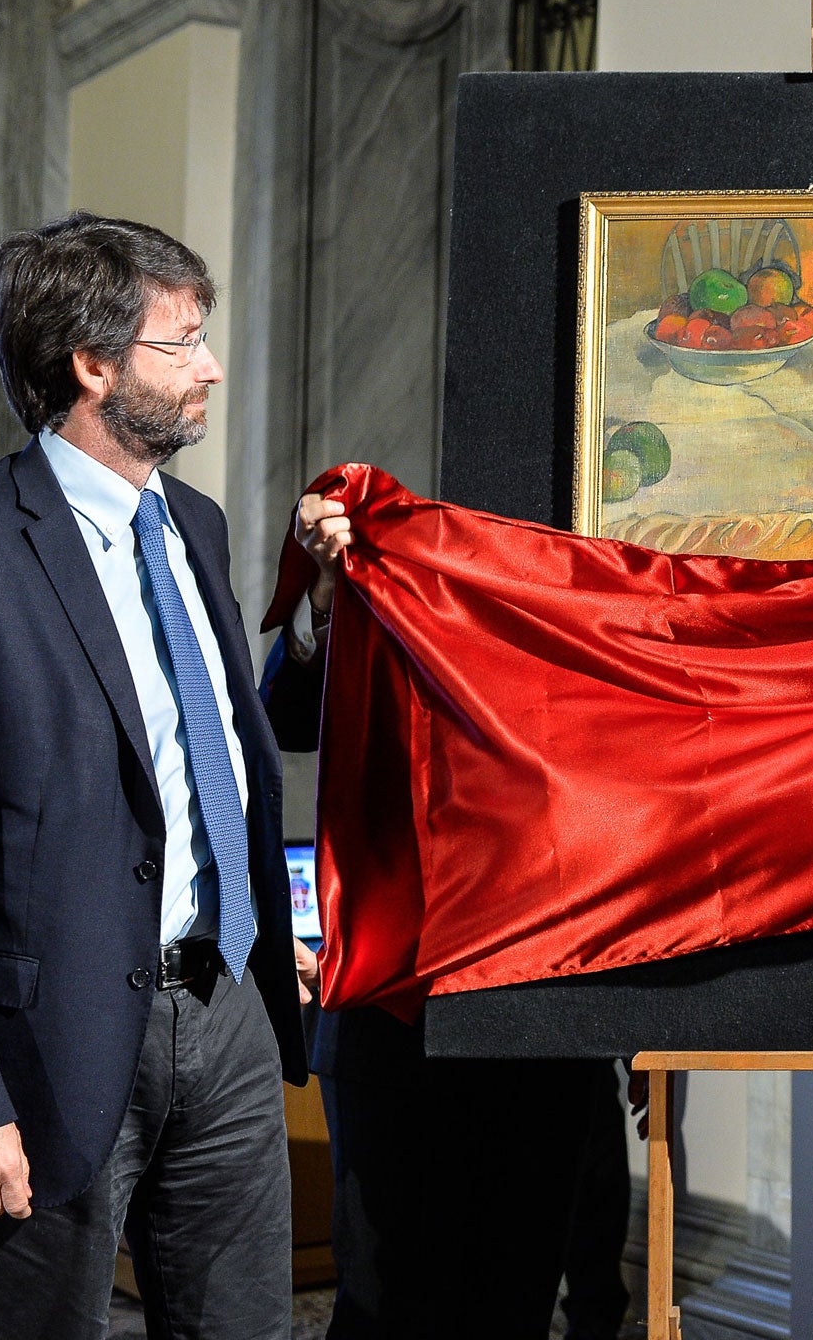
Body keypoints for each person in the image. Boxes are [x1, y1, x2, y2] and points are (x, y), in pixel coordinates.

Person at [0, 212, 316, 1339]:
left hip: (222, 1018)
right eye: (183, 341)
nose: (210, 365)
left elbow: (208, 760)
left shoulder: (198, 530)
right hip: (43, 1051)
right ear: (93, 365)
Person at [262, 512, 613, 1340]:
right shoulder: (403, 624)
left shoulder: (590, 663)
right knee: (387, 1305)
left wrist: (640, 1018)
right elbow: (287, 717)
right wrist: (325, 599)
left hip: (545, 1044)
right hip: (395, 1034)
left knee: (513, 1304)